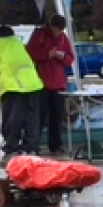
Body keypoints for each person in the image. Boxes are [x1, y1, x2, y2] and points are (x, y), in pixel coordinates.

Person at [0, 22, 43, 159]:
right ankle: (32, 148)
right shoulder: (15, 40)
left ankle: (12, 149)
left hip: (13, 85)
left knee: (13, 120)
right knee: (31, 119)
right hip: (33, 82)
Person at [26, 13, 74, 156]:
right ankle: (34, 144)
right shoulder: (39, 35)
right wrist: (47, 55)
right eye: (56, 29)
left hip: (58, 83)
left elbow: (70, 58)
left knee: (57, 116)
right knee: (39, 116)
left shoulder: (63, 38)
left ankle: (56, 144)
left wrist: (62, 56)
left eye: (60, 30)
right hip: (42, 82)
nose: (57, 33)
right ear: (51, 26)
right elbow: (31, 53)